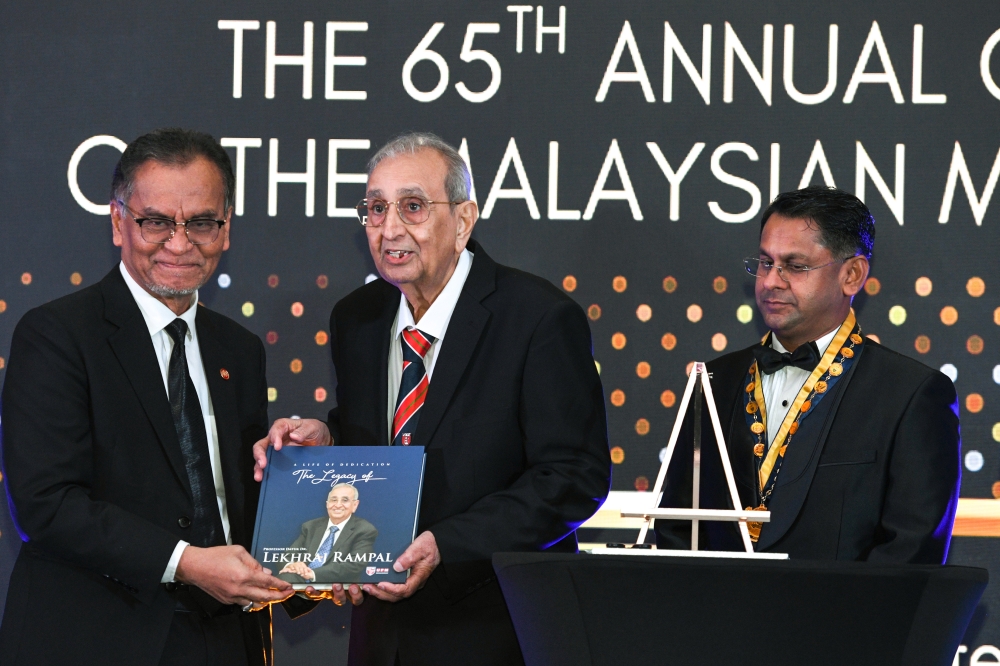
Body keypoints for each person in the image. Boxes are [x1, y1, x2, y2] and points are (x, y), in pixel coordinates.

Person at [253, 132, 611, 665]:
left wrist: (447, 544)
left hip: (495, 631)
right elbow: (378, 445)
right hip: (382, 637)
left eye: (413, 207)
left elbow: (573, 477)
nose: (390, 228)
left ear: (463, 220)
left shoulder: (538, 318)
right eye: (376, 208)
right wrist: (326, 440)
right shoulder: (358, 318)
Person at [0, 128, 293, 666]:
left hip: (227, 640)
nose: (180, 243)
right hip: (96, 637)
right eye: (156, 221)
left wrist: (319, 557)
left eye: (202, 222)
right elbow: (46, 504)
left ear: (226, 228)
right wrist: (187, 563)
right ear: (118, 222)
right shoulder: (57, 335)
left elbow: (242, 501)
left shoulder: (239, 348)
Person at [655, 186, 961, 563]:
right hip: (717, 616)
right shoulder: (715, 381)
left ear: (852, 274)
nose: (770, 282)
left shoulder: (911, 394)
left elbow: (909, 556)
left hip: (841, 619)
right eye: (766, 263)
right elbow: (676, 526)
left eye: (795, 266)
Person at [278, 484, 378, 584]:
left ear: (355, 505)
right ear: (327, 504)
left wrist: (312, 573)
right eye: (334, 500)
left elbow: (354, 564)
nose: (338, 505)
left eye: (345, 500)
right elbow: (287, 556)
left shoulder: (364, 529)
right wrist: (292, 565)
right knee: (285, 578)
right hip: (302, 580)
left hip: (336, 584)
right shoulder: (310, 526)